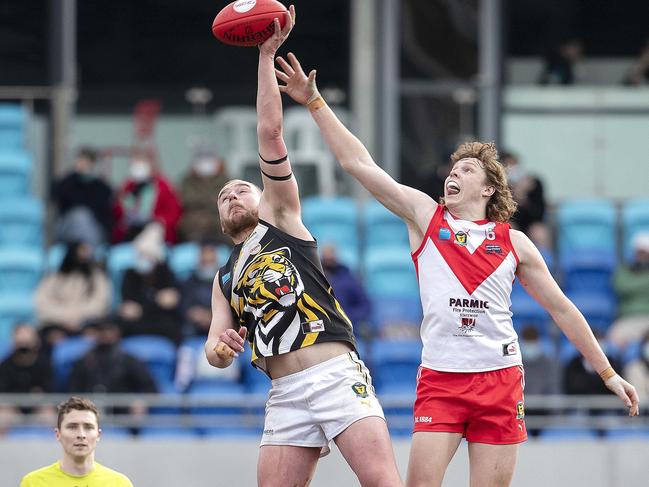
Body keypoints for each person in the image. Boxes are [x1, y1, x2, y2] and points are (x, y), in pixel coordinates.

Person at [275, 52, 640, 487]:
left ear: (488, 188)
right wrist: (315, 101)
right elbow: (359, 165)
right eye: (452, 168)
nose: (454, 173)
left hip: (500, 380)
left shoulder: (513, 242)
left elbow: (562, 310)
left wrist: (608, 373)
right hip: (441, 378)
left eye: (466, 169)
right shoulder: (426, 217)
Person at [205, 8, 403, 487]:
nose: (233, 195)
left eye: (240, 189)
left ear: (263, 196)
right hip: (284, 391)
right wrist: (222, 349)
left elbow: (269, 133)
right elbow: (213, 347)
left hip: (333, 373)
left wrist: (265, 55)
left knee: (382, 482)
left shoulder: (282, 220)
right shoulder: (224, 276)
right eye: (223, 196)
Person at [20, 396, 133, 486]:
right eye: (72, 427)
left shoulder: (119, 483)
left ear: (98, 435)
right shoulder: (33, 483)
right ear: (58, 434)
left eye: (88, 427)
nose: (81, 435)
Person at [118, 223, 182, 344]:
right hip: (137, 320)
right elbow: (126, 304)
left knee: (171, 325)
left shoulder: (165, 272)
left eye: (146, 256)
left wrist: (169, 299)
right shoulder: (130, 274)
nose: (142, 260)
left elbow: (172, 298)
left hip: (159, 320)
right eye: (140, 255)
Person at [34, 241, 112, 341]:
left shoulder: (97, 277)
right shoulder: (54, 278)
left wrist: (79, 317)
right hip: (58, 322)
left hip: (87, 321)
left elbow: (101, 302)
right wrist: (65, 317)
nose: (84, 256)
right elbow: (42, 303)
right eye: (81, 251)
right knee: (51, 336)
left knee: (97, 333)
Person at [112, 148, 182, 244]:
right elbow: (118, 212)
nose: (137, 167)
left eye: (141, 163)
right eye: (135, 163)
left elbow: (173, 213)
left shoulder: (163, 185)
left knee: (152, 233)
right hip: (131, 230)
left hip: (156, 231)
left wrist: (155, 219)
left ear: (150, 165)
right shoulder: (128, 186)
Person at [51, 146, 113, 247]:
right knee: (80, 216)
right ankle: (84, 251)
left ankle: (84, 250)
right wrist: (73, 176)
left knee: (84, 217)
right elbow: (55, 194)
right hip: (68, 228)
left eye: (85, 161)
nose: (82, 164)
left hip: (93, 229)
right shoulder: (68, 182)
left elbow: (103, 209)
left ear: (92, 164)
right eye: (80, 160)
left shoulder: (101, 187)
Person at [177, 148, 230, 244]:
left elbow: (226, 201)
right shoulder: (187, 181)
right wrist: (212, 200)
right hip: (194, 227)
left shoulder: (225, 180)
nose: (205, 163)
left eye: (209, 159)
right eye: (202, 159)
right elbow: (188, 201)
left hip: (220, 225)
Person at [320, 243, 372, 337]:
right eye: (325, 255)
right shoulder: (314, 277)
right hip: (320, 330)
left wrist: (348, 317)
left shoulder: (349, 279)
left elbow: (365, 305)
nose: (328, 259)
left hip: (346, 331)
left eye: (331, 254)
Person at [607, 232, 649, 348]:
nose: (643, 256)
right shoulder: (624, 270)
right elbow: (621, 286)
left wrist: (634, 284)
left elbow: (628, 287)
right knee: (614, 340)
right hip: (628, 319)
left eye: (645, 253)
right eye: (640, 252)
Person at [180, 241, 220, 338]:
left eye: (211, 255)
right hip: (194, 330)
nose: (207, 258)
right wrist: (194, 314)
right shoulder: (189, 280)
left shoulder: (225, 280)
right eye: (204, 255)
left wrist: (211, 316)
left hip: (221, 327)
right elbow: (183, 306)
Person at [500, 151, 546, 235]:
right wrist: (515, 194)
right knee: (508, 228)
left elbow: (538, 214)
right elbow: (502, 215)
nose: (513, 169)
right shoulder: (500, 187)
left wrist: (523, 196)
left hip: (531, 223)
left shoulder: (534, 184)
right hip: (512, 223)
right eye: (508, 166)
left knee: (538, 231)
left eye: (514, 164)